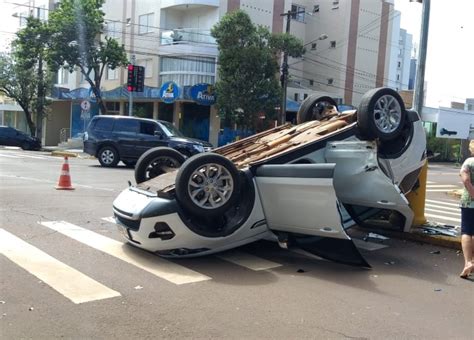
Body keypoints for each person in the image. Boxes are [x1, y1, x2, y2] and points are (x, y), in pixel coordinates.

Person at [459, 140, 474, 279]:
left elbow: (465, 180)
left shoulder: (469, 162)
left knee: (466, 231)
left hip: (469, 203)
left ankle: (468, 262)